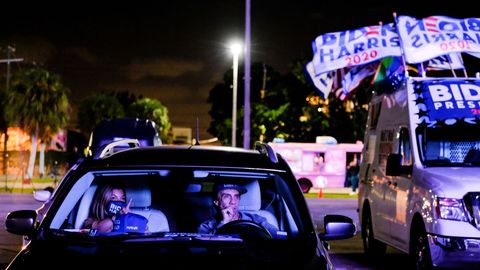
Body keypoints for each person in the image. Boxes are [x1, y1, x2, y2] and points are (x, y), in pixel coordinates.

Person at [198, 183, 278, 238]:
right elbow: (206, 247)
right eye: (227, 196)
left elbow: (278, 237)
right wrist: (224, 222)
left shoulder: (257, 220)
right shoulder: (206, 226)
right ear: (216, 202)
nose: (233, 202)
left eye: (236, 196)